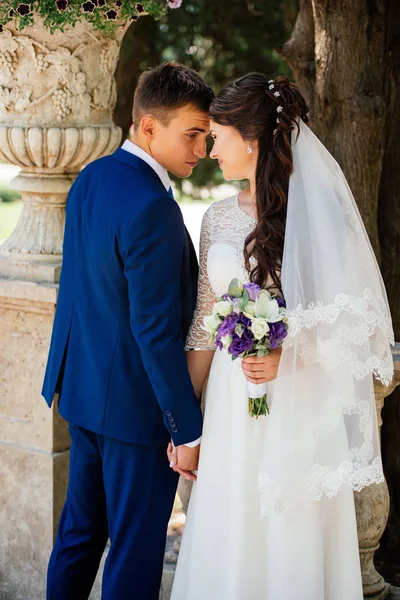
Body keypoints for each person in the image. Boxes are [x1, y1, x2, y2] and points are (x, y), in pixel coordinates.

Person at [169, 74, 394, 600]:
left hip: (300, 400)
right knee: (236, 522)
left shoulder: (322, 217)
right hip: (231, 405)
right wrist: (185, 421)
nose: (210, 152)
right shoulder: (218, 219)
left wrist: (290, 353)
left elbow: (358, 321)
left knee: (293, 527)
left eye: (218, 137)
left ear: (249, 139)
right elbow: (206, 322)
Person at [41, 62, 214, 600]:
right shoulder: (154, 208)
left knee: (78, 536)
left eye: (206, 137)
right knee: (135, 555)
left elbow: (87, 292)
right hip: (138, 418)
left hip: (84, 398)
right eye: (191, 134)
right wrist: (186, 429)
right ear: (147, 128)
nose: (202, 149)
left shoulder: (92, 177)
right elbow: (155, 332)